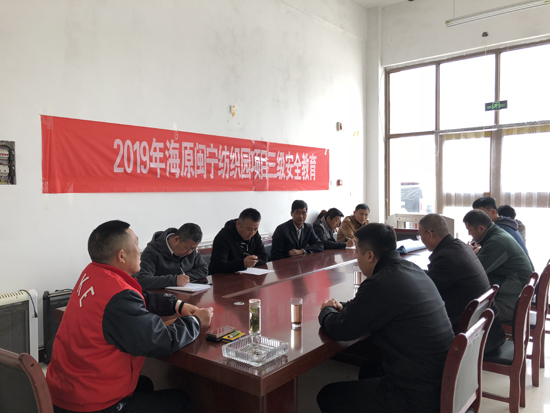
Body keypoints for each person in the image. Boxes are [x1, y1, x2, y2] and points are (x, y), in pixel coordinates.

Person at [46, 220, 213, 413]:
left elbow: (137, 297)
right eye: (136, 244)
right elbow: (160, 341)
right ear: (121, 255)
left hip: (66, 389)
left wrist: (176, 304)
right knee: (181, 399)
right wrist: (196, 321)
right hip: (90, 403)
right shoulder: (118, 295)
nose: (140, 250)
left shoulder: (92, 274)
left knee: (145, 384)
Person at [317, 223, 454, 413]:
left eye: (358, 253)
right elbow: (373, 304)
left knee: (328, 396)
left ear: (370, 256)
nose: (357, 258)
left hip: (416, 394)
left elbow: (340, 329)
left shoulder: (380, 282)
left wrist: (326, 310)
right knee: (369, 369)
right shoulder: (410, 268)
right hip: (442, 379)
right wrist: (344, 307)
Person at [419, 213, 505, 353]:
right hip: (486, 331)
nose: (421, 239)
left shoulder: (445, 258)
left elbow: (426, 291)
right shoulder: (459, 246)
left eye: (420, 235)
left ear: (429, 234)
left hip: (473, 338)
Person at [463, 209, 532, 322]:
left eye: (469, 230)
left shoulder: (497, 242)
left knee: (464, 309)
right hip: (516, 296)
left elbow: (474, 272)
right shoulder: (497, 234)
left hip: (510, 304)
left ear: (481, 228)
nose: (469, 234)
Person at [134, 223, 207, 290]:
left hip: (186, 293)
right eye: (186, 248)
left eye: (193, 249)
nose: (189, 252)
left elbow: (203, 269)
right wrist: (174, 280)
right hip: (160, 296)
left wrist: (184, 278)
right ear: (176, 239)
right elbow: (142, 280)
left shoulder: (190, 248)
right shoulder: (151, 252)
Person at [209, 208, 268, 274]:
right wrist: (242, 264)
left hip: (246, 275)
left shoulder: (254, 234)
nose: (252, 233)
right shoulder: (223, 237)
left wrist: (252, 261)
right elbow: (218, 266)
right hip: (224, 277)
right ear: (238, 224)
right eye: (249, 229)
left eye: (255, 229)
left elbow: (264, 256)